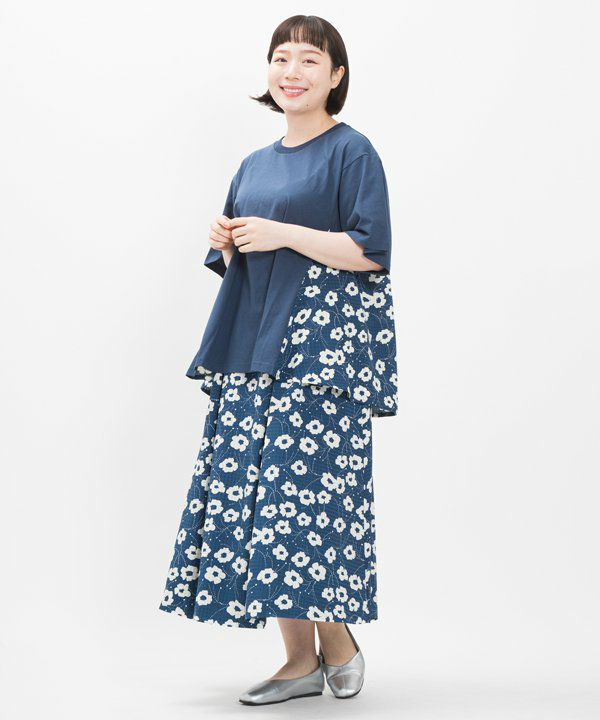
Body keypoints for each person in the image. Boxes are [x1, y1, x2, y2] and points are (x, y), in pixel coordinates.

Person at [159, 14, 399, 705]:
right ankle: (299, 660)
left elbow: (370, 251)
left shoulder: (352, 152)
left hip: (319, 352)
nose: (292, 72)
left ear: (336, 76)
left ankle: (336, 642)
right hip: (251, 348)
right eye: (281, 58)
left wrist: (282, 232)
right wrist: (228, 239)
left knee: (309, 499)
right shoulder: (254, 164)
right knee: (262, 503)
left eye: (309, 60)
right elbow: (244, 255)